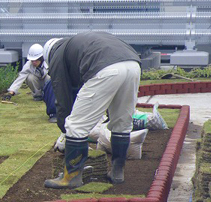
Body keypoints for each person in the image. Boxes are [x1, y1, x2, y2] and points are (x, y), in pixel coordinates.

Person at [42, 31, 141, 189]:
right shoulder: (78, 44)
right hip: (133, 65)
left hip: (104, 68)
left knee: (75, 125)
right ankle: (117, 173)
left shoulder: (57, 56)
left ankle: (71, 177)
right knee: (121, 122)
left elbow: (63, 98)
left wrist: (65, 130)